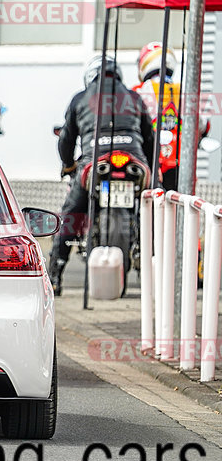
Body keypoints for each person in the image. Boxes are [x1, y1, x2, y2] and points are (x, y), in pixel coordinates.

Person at [48, 55, 155, 295]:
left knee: (72, 214)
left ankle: (55, 274)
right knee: (154, 210)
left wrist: (67, 165)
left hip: (95, 162)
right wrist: (151, 166)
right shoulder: (134, 97)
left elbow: (66, 139)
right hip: (134, 162)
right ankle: (158, 261)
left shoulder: (81, 98)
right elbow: (150, 138)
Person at [132, 42, 209, 190]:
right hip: (178, 163)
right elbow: (201, 124)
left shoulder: (138, 92)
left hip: (149, 160)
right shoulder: (183, 92)